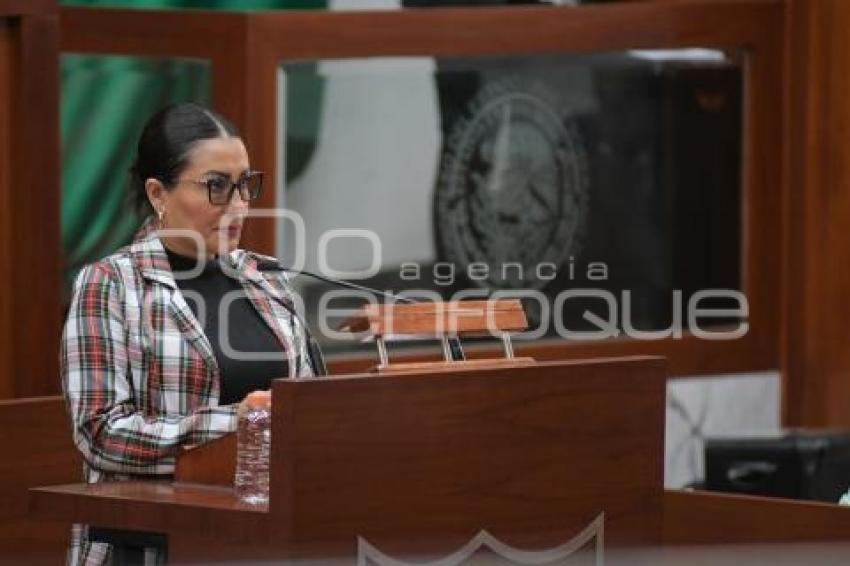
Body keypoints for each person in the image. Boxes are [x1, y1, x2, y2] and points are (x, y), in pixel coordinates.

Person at [61, 103, 317, 565]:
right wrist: (239, 423)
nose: (239, 205)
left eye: (245, 184)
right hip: (151, 545)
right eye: (216, 186)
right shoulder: (110, 284)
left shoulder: (267, 279)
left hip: (268, 544)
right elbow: (100, 434)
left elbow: (315, 409)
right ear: (158, 193)